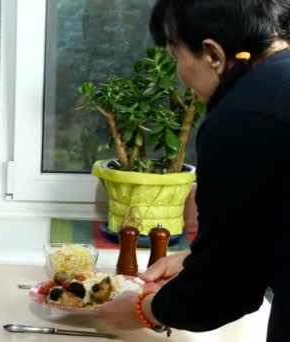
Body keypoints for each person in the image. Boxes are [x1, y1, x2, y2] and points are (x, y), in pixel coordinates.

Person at [98, 1, 290, 341]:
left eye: (175, 56)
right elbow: (263, 230)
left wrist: (142, 309)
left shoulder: (244, 116)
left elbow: (226, 288)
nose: (179, 74)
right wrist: (197, 258)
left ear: (213, 54)